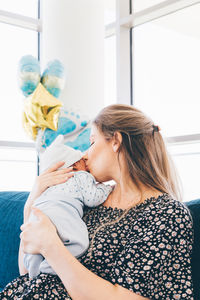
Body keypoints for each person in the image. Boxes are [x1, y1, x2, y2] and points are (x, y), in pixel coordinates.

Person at [1, 104, 194, 300]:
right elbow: (27, 275)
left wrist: (51, 246)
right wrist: (31, 205)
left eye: (92, 142)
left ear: (116, 141)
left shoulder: (166, 214)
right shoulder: (85, 202)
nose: (85, 155)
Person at [24, 145, 112, 279]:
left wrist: (29, 206)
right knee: (79, 243)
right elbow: (93, 198)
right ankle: (48, 269)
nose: (86, 158)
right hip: (59, 210)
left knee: (33, 251)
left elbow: (22, 269)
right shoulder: (81, 175)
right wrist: (106, 188)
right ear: (75, 165)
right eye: (83, 160)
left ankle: (34, 275)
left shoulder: (52, 185)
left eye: (93, 142)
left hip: (38, 208)